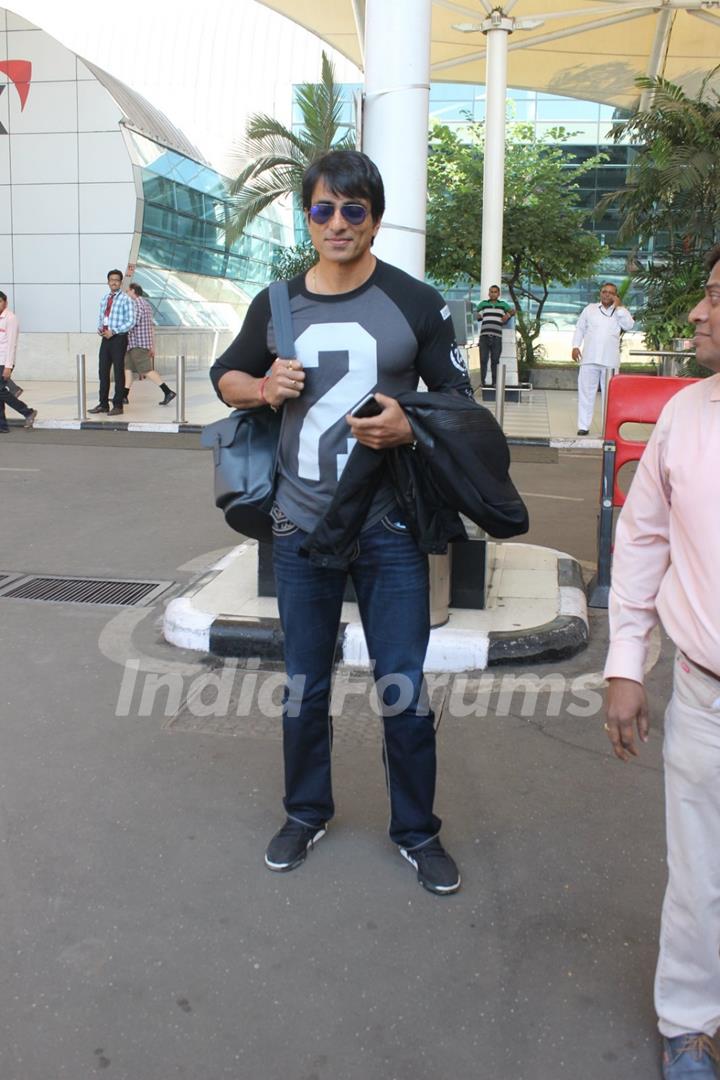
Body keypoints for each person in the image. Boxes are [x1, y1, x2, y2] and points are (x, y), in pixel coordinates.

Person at [210, 150, 473, 895]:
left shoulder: (417, 303)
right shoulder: (277, 304)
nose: (337, 223)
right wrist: (261, 386)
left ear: (376, 219)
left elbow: (459, 404)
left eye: (353, 210)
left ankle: (417, 831)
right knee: (303, 689)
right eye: (323, 209)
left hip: (389, 530)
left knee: (404, 691)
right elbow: (223, 374)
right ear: (308, 216)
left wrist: (410, 427)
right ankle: (306, 812)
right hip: (299, 529)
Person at [604, 245, 720, 1078]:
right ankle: (689, 1022)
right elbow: (641, 540)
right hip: (707, 697)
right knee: (699, 873)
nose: (698, 312)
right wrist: (623, 665)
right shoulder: (687, 415)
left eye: (717, 296)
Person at [572, 282, 634, 435]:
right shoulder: (590, 309)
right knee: (586, 392)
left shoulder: (621, 311)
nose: (607, 294)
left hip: (610, 361)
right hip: (589, 358)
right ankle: (583, 426)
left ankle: (608, 428)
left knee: (610, 395)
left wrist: (619, 308)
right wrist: (575, 346)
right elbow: (580, 328)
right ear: (600, 293)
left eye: (611, 293)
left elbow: (629, 325)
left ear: (616, 295)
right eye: (604, 292)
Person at [89, 269, 135, 416]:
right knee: (103, 371)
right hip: (105, 338)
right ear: (108, 282)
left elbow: (131, 321)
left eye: (116, 280)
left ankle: (118, 405)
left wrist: (113, 331)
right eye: (111, 280)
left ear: (120, 282)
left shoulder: (126, 299)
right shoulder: (105, 299)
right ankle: (103, 404)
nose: (113, 282)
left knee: (118, 372)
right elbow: (102, 317)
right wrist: (100, 328)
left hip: (118, 338)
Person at [123, 284, 176, 407]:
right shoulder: (147, 304)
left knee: (146, 370)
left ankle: (168, 392)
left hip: (138, 343)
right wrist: (152, 345)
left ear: (133, 291)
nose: (127, 293)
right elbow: (151, 326)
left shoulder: (136, 304)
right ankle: (124, 396)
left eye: (128, 291)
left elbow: (132, 323)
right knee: (128, 368)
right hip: (136, 343)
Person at [0, 290, 37, 432]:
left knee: (0, 391)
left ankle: (27, 412)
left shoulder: (10, 318)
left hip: (5, 361)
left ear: (5, 302)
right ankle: (2, 426)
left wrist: (8, 366)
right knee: (1, 392)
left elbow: (11, 344)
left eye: (0, 302)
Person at [476, 285, 515, 388]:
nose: (493, 293)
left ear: (498, 294)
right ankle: (482, 382)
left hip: (497, 336)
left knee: (495, 360)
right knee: (483, 360)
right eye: (491, 292)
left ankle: (494, 382)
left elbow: (513, 310)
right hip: (484, 336)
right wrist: (477, 316)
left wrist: (507, 316)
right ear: (489, 293)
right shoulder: (483, 304)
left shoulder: (503, 305)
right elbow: (475, 312)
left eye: (495, 292)